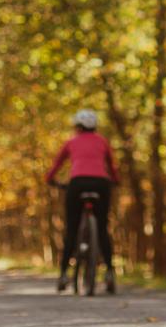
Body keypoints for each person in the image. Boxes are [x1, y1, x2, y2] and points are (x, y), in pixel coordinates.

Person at [45, 108, 120, 293]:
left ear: (78, 127)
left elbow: (57, 164)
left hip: (77, 183)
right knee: (102, 228)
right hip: (101, 184)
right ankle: (110, 272)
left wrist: (50, 180)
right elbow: (112, 166)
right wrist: (115, 181)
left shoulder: (71, 142)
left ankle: (63, 273)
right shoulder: (102, 141)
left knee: (72, 228)